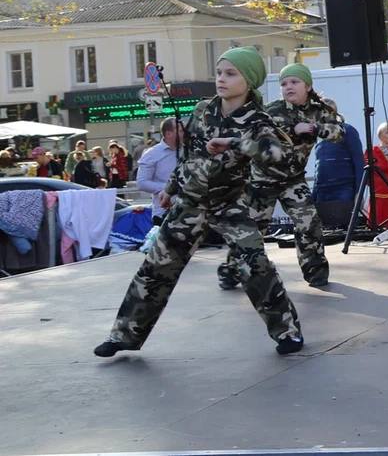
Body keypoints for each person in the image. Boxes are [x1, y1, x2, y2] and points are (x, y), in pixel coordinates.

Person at [93, 46, 304, 357]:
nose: (221, 79)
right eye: (219, 72)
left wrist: (234, 142)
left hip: (228, 204)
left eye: (230, 74)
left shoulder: (259, 121)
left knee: (255, 265)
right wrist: (170, 186)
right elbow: (189, 155)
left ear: (249, 80)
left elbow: (280, 156)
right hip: (189, 204)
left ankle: (287, 332)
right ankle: (123, 336)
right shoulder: (202, 110)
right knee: (155, 268)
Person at [219, 63, 338, 290]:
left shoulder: (320, 111)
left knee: (309, 222)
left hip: (293, 180)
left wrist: (314, 128)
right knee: (252, 232)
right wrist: (294, 130)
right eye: (284, 83)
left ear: (308, 86)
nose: (288, 87)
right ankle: (231, 271)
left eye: (294, 82)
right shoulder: (271, 111)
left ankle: (316, 272)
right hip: (262, 181)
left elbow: (338, 132)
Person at [312, 121, 365, 229]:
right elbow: (318, 167)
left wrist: (359, 192)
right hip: (322, 192)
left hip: (343, 189)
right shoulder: (317, 133)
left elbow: (359, 162)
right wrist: (313, 196)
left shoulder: (347, 130)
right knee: (326, 232)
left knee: (345, 229)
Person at [136, 118, 180, 221]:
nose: (184, 133)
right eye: (180, 131)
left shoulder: (189, 150)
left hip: (190, 212)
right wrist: (170, 188)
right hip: (164, 213)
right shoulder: (151, 154)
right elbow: (142, 183)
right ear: (169, 134)